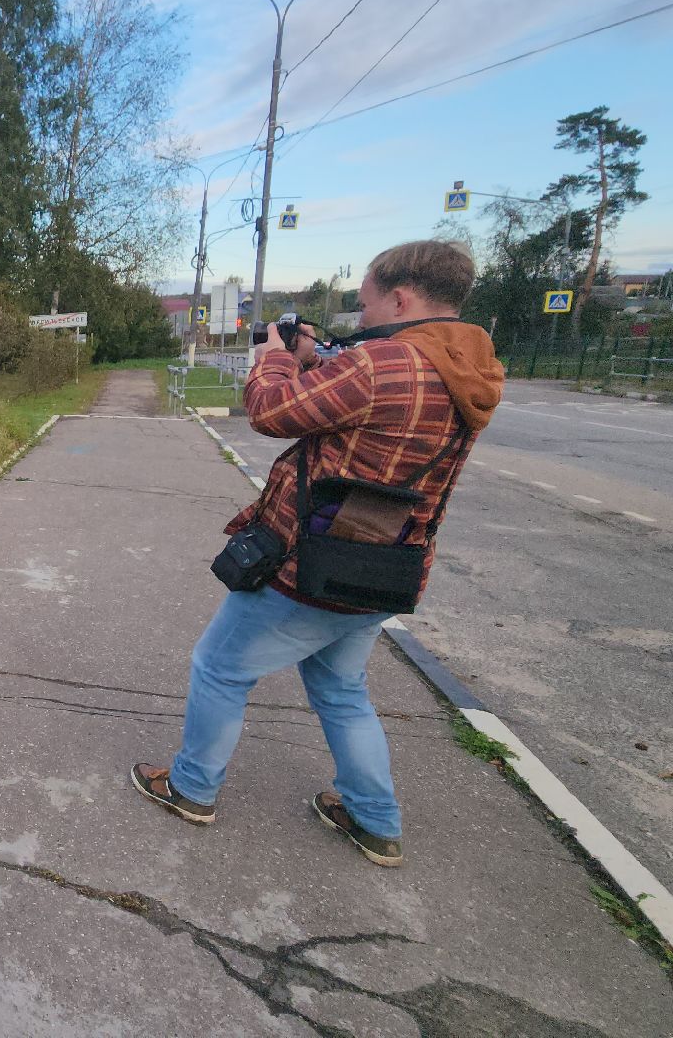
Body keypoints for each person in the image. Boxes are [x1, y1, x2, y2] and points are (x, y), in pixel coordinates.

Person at [130, 240, 504, 867]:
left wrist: (275, 360)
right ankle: (373, 818)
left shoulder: (381, 364)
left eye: (365, 305)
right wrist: (311, 362)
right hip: (387, 562)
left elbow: (270, 412)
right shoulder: (471, 370)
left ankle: (192, 789)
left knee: (220, 667)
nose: (361, 319)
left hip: (312, 563)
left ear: (401, 297)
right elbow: (358, 423)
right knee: (340, 688)